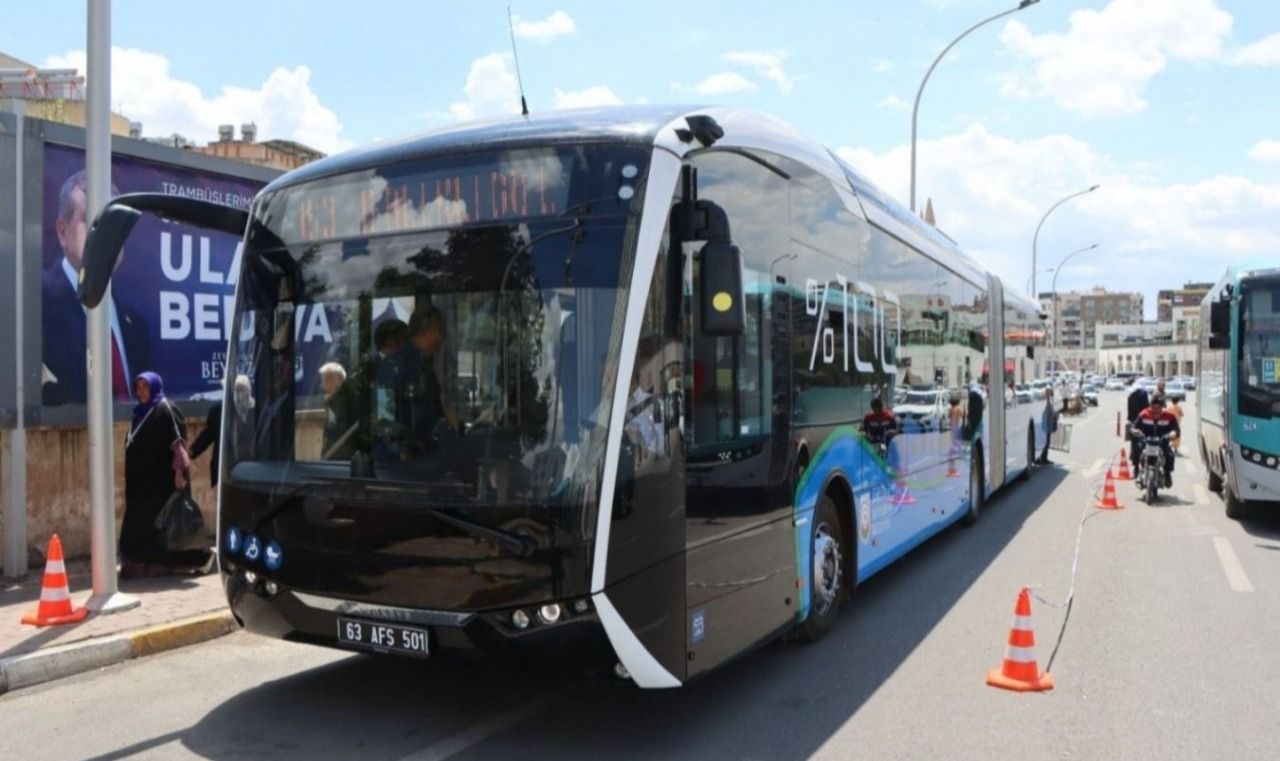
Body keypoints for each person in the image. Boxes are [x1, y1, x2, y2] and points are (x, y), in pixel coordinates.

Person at [41, 169, 152, 406]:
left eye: (114, 223)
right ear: (63, 232)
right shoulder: (36, 304)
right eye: (91, 220)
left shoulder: (137, 324)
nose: (105, 233)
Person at [120, 372, 210, 578]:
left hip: (162, 484)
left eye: (145, 386)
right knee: (138, 527)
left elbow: (178, 444)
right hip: (140, 487)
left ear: (154, 387)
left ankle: (182, 563)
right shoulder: (140, 413)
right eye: (138, 387)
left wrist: (179, 474)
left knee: (165, 528)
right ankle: (140, 566)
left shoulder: (166, 409)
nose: (141, 391)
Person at [1131, 393, 1180, 487]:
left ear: (1162, 407)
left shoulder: (1170, 417)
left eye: (1158, 408)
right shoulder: (1143, 414)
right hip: (1146, 442)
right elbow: (1134, 426)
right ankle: (1137, 469)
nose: (1156, 411)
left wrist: (1173, 433)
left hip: (1162, 443)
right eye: (1153, 408)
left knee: (1169, 456)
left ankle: (1167, 474)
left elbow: (1176, 430)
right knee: (1136, 450)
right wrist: (1134, 431)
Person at [319, 361, 355, 459]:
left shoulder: (343, 400)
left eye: (326, 380)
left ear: (338, 381)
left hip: (340, 452)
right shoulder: (331, 398)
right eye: (322, 380)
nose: (322, 384)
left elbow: (338, 428)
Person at [189, 402, 223, 488]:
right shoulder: (218, 411)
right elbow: (207, 435)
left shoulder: (256, 409)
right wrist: (192, 451)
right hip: (221, 474)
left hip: (247, 475)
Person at [1127, 382, 1151, 468]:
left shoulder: (1131, 394)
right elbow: (1147, 407)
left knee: (1134, 443)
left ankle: (1135, 464)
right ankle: (1144, 462)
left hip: (1134, 422)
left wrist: (1130, 420)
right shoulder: (1143, 394)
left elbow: (1129, 410)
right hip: (1144, 421)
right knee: (1145, 442)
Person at [1037, 387, 1056, 465]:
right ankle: (1042, 458)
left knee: (1047, 442)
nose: (1049, 395)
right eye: (1048, 393)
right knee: (1045, 442)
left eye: (1050, 393)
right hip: (1045, 425)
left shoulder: (1049, 402)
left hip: (1047, 425)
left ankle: (1044, 458)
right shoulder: (1045, 402)